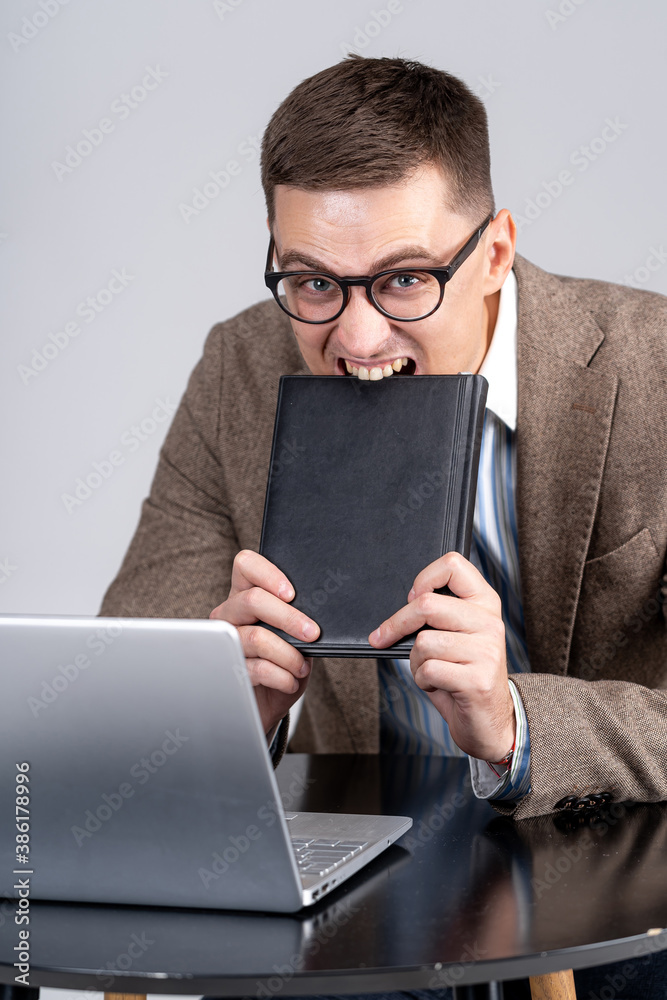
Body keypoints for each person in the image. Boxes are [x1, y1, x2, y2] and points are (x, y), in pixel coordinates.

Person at [100, 55, 667, 997]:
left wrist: (518, 722)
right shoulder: (241, 368)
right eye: (313, 283)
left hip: (617, 879)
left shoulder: (650, 372)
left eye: (404, 280)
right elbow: (124, 692)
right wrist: (215, 706)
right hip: (369, 904)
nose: (357, 341)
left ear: (493, 254)